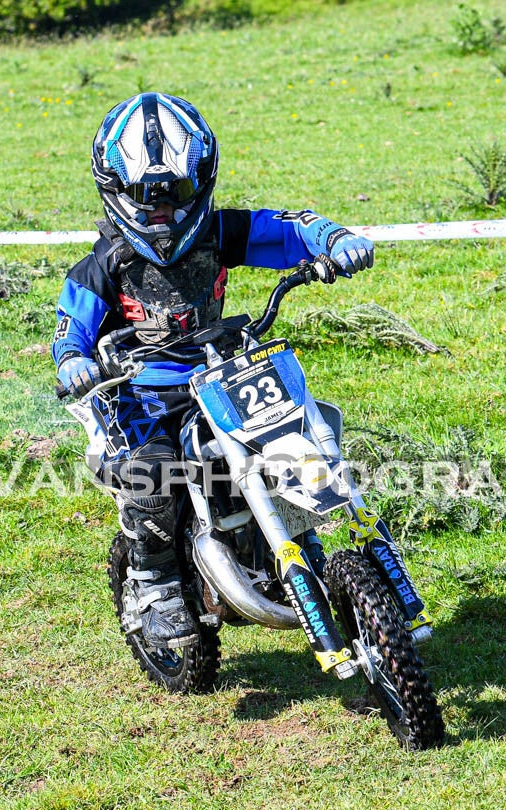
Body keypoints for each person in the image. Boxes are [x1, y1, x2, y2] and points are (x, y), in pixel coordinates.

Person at [52, 92, 375, 652]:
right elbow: (69, 329)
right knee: (152, 477)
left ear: (200, 182)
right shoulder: (102, 264)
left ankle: (299, 540)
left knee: (291, 435)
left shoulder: (219, 232)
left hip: (220, 370)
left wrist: (334, 240)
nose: (162, 211)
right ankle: (156, 588)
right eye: (144, 196)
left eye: (176, 193)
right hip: (138, 393)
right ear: (115, 190)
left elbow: (287, 229)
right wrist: (75, 362)